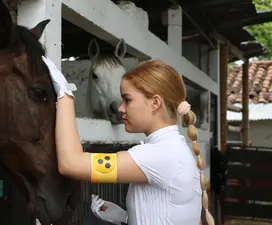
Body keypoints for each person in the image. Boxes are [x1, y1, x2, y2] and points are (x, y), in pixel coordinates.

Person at [41, 55, 215, 225]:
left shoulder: (159, 155)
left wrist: (65, 95)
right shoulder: (173, 149)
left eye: (127, 100)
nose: (120, 108)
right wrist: (127, 217)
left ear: (155, 103)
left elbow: (71, 164)